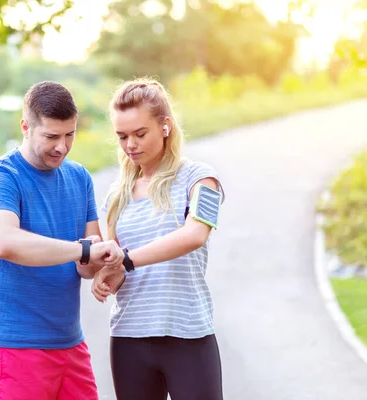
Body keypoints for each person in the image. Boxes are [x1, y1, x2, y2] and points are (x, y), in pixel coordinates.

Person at [0, 81, 124, 400]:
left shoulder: (79, 177)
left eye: (70, 135)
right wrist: (82, 249)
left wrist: (102, 262)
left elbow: (86, 264)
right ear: (26, 127)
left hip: (70, 344)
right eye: (51, 136)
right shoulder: (1, 177)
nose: (62, 146)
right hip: (16, 347)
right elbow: (4, 243)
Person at [92, 77, 226, 400]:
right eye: (122, 136)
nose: (130, 145)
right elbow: (119, 268)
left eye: (140, 134)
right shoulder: (116, 195)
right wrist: (109, 275)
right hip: (129, 339)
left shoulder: (201, 179)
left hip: (189, 335)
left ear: (165, 126)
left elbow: (195, 234)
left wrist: (128, 259)